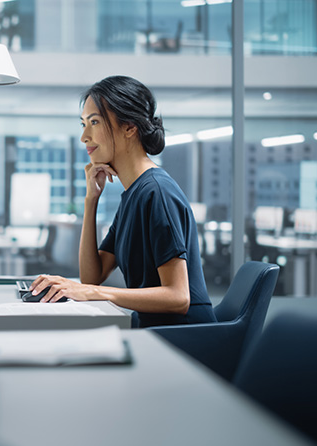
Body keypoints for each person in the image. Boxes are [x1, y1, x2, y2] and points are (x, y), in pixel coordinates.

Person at [29, 75, 215, 327]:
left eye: (94, 122)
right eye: (83, 124)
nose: (84, 136)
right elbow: (92, 277)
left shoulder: (157, 192)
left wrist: (95, 293)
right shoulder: (134, 194)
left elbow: (178, 297)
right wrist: (91, 200)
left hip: (184, 338)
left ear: (129, 127)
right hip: (152, 330)